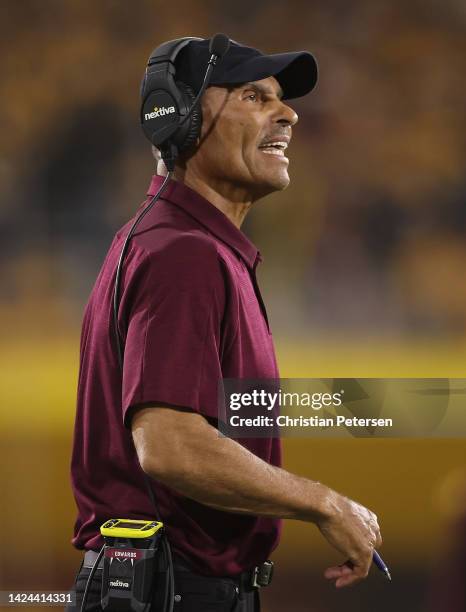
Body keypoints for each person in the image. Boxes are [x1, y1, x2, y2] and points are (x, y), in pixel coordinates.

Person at [67, 36, 382, 612]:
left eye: (281, 100)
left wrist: (408, 406)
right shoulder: (183, 253)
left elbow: (228, 414)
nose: (288, 113)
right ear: (180, 119)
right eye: (254, 96)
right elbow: (171, 446)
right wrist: (325, 503)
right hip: (171, 591)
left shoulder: (189, 245)